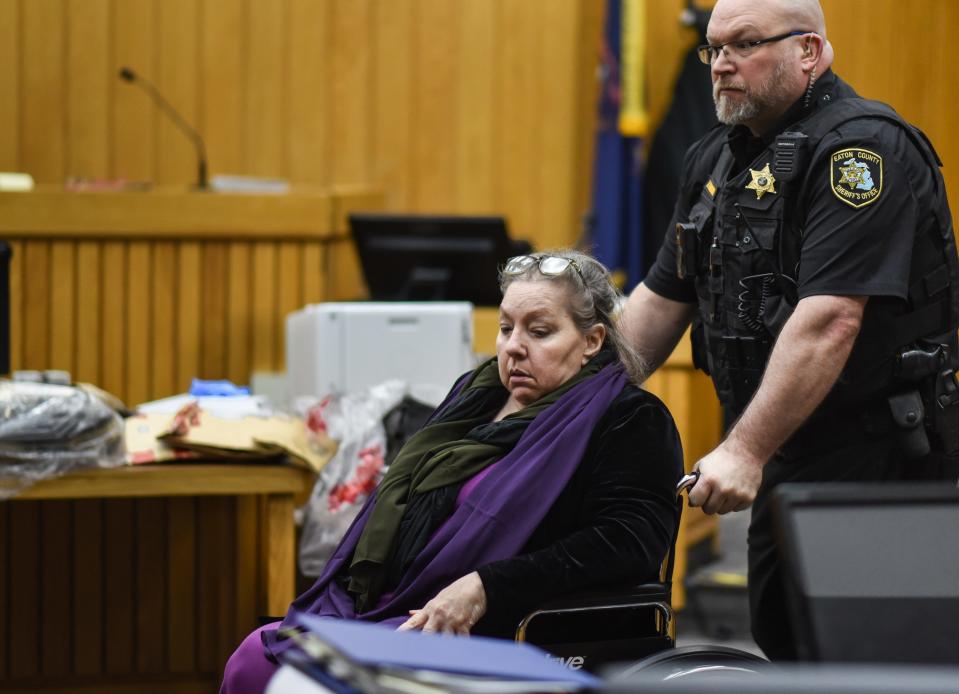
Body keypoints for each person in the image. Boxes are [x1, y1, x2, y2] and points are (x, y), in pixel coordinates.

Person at [621, 0, 959, 661]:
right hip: (790, 449)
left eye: (743, 45)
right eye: (713, 49)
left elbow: (830, 317)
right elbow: (661, 299)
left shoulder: (861, 152)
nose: (720, 66)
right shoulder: (715, 157)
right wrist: (567, 406)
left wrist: (742, 451)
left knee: (868, 660)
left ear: (808, 51)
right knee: (784, 639)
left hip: (883, 464)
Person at [221, 250, 684, 692]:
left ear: (591, 341)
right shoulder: (476, 393)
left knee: (300, 679)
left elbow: (630, 542)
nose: (514, 348)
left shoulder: (629, 418)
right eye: (506, 328)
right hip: (405, 604)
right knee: (252, 660)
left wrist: (486, 586)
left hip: (507, 624)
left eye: (539, 331)